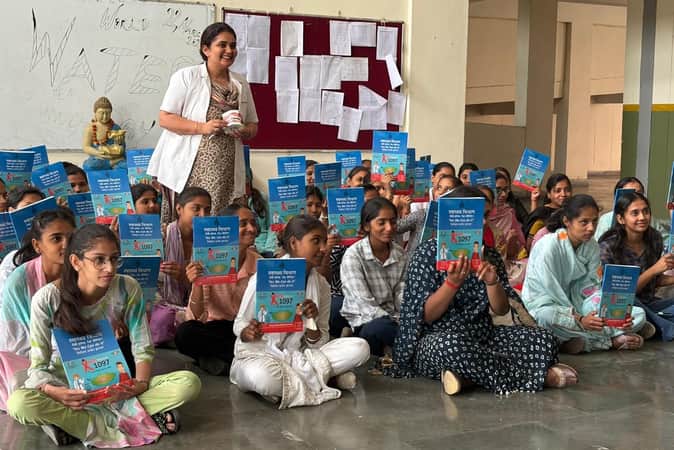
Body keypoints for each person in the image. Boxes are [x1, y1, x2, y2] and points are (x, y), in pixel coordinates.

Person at [6, 225, 201, 446]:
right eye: (99, 260)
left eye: (114, 259)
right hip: (67, 388)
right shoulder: (47, 298)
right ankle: (133, 418)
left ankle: (75, 425)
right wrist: (56, 392)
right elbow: (39, 366)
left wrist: (140, 384)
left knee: (189, 383)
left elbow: (142, 346)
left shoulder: (127, 287)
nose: (109, 268)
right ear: (76, 262)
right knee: (19, 404)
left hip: (114, 386)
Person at [390, 185, 574, 395]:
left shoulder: (489, 255)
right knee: (450, 347)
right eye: (478, 216)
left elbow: (502, 309)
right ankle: (536, 376)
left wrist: (492, 283)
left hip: (482, 335)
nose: (485, 222)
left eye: (486, 215)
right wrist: (451, 284)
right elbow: (426, 316)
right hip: (438, 339)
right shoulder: (426, 255)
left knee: (542, 339)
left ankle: (469, 377)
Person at [230, 215, 370, 408]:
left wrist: (311, 321)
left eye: (324, 241)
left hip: (301, 355)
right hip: (260, 356)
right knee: (263, 378)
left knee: (361, 347)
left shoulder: (321, 286)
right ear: (294, 243)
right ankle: (326, 378)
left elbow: (320, 341)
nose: (323, 248)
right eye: (316, 241)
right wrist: (248, 332)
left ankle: (298, 382)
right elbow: (239, 324)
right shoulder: (265, 277)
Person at [149, 22, 259, 225]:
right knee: (190, 222)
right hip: (191, 168)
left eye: (233, 45)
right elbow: (165, 118)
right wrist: (203, 127)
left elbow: (253, 125)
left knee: (220, 224)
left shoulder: (240, 83)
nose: (229, 51)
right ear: (206, 49)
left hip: (227, 170)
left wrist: (244, 130)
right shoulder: (187, 76)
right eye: (222, 45)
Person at [522, 194, 651, 353]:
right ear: (567, 221)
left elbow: (593, 287)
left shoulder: (592, 246)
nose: (591, 228)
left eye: (594, 221)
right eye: (584, 222)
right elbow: (551, 293)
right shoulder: (549, 246)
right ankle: (610, 341)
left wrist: (613, 314)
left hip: (580, 304)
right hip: (548, 304)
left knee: (638, 314)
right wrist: (580, 320)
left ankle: (578, 341)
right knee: (546, 317)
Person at [175, 204, 260, 375]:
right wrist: (197, 283)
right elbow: (196, 316)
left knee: (261, 341)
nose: (251, 229)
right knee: (185, 333)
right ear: (226, 229)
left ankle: (213, 360)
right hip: (217, 330)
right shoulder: (208, 261)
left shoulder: (260, 264)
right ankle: (240, 360)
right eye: (243, 224)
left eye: (253, 223)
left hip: (245, 331)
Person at [0, 210, 76, 358]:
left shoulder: (84, 270)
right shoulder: (20, 281)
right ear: (37, 245)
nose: (66, 245)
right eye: (56, 239)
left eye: (71, 238)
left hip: (81, 352)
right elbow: (17, 342)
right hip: (31, 359)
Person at [599, 192, 674, 340]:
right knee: (627, 300)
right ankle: (665, 328)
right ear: (621, 219)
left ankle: (649, 324)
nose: (642, 217)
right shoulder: (608, 246)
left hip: (650, 303)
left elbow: (654, 282)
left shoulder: (654, 239)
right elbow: (618, 293)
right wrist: (654, 270)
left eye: (646, 211)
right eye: (635, 213)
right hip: (621, 305)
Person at [340, 198, 407, 358]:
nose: (389, 228)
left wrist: (406, 318)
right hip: (364, 318)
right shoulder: (353, 255)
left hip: (393, 317)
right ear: (366, 226)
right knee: (379, 328)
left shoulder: (400, 254)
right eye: (381, 223)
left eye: (393, 222)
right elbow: (364, 304)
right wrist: (395, 323)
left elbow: (402, 293)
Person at [151, 187, 211, 345]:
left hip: (197, 304)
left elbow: (211, 286)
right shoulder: (161, 236)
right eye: (196, 209)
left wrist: (185, 277)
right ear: (179, 209)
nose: (203, 215)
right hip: (163, 304)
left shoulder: (211, 241)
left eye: (207, 210)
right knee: (162, 318)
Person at [524, 173, 572, 249]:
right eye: (558, 191)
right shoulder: (542, 213)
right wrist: (534, 201)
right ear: (549, 194)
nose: (563, 194)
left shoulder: (574, 210)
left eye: (567, 190)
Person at [82, 97, 127, 171]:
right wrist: (97, 153)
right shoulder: (90, 128)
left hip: (115, 158)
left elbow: (122, 148)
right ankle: (110, 164)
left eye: (108, 113)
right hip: (99, 159)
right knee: (89, 166)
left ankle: (112, 165)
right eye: (101, 113)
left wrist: (119, 143)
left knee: (127, 167)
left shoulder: (116, 128)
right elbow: (86, 147)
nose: (105, 116)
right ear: (95, 113)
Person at [594, 177, 645, 241]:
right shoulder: (606, 219)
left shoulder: (649, 219)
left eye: (639, 194)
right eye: (629, 195)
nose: (635, 198)